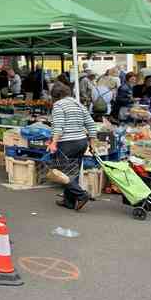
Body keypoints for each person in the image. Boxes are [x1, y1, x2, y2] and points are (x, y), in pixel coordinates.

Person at [49, 82, 96, 211]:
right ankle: (68, 201)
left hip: (67, 143)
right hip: (81, 142)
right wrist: (92, 143)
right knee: (73, 171)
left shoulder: (58, 105)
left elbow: (59, 126)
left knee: (61, 173)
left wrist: (53, 142)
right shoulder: (78, 104)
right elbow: (91, 125)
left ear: (55, 95)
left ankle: (82, 195)